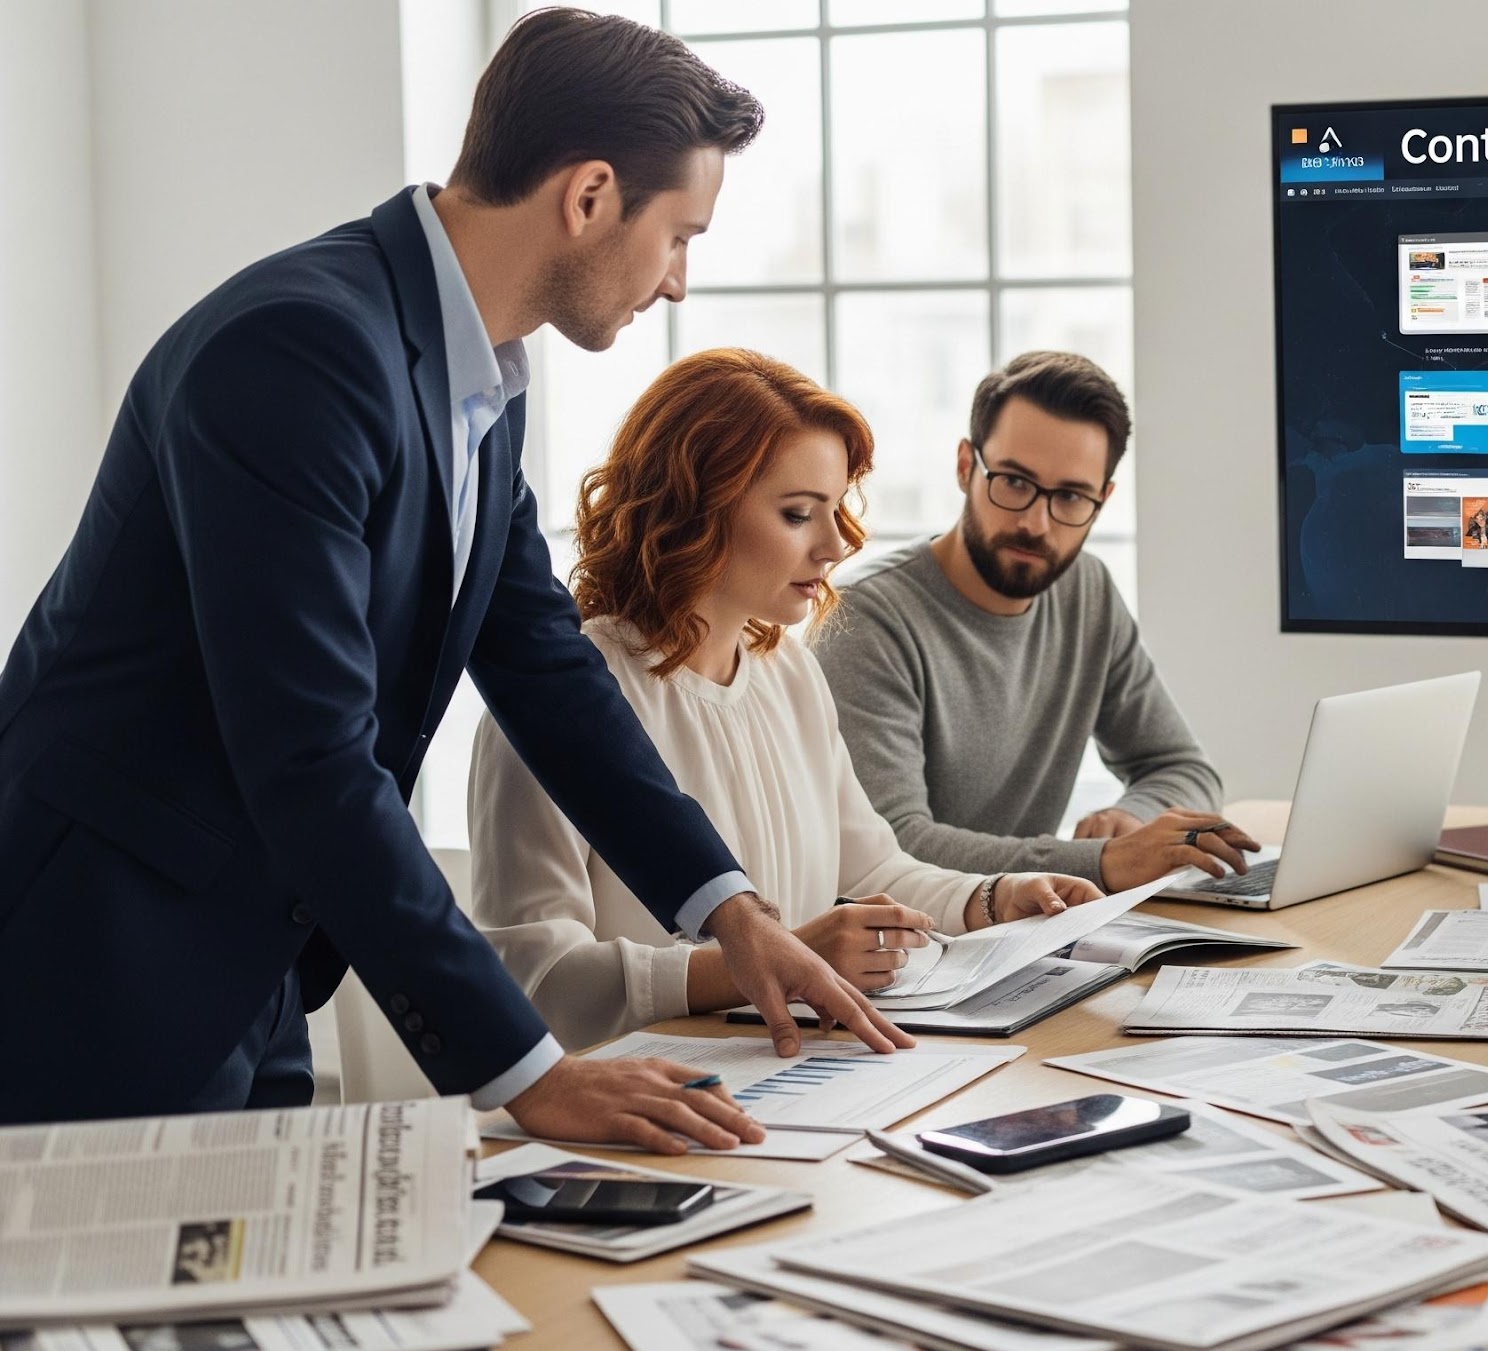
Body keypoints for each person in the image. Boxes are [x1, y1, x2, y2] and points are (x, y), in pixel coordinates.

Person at [0, 9, 903, 1151]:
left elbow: (544, 666)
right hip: (96, 953)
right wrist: (530, 1072)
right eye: (679, 234)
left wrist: (732, 907)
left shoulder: (480, 379)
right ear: (587, 196)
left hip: (256, 953)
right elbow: (311, 753)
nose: (678, 281)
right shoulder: (302, 350)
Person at [467, 349, 1100, 1051]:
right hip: (642, 1101)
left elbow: (873, 872)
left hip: (790, 1080)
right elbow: (535, 982)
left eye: (835, 510)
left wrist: (995, 899)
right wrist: (767, 962)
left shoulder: (788, 674)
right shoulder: (556, 706)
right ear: (695, 510)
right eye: (799, 513)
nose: (835, 545)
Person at [821, 350, 1259, 892]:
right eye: (1014, 482)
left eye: (1071, 497)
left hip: (1026, 933)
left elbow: (1181, 766)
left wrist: (1134, 818)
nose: (1035, 523)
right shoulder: (865, 619)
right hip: (897, 951)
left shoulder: (1087, 593)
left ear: (1103, 500)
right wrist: (1099, 861)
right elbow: (894, 849)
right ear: (965, 466)